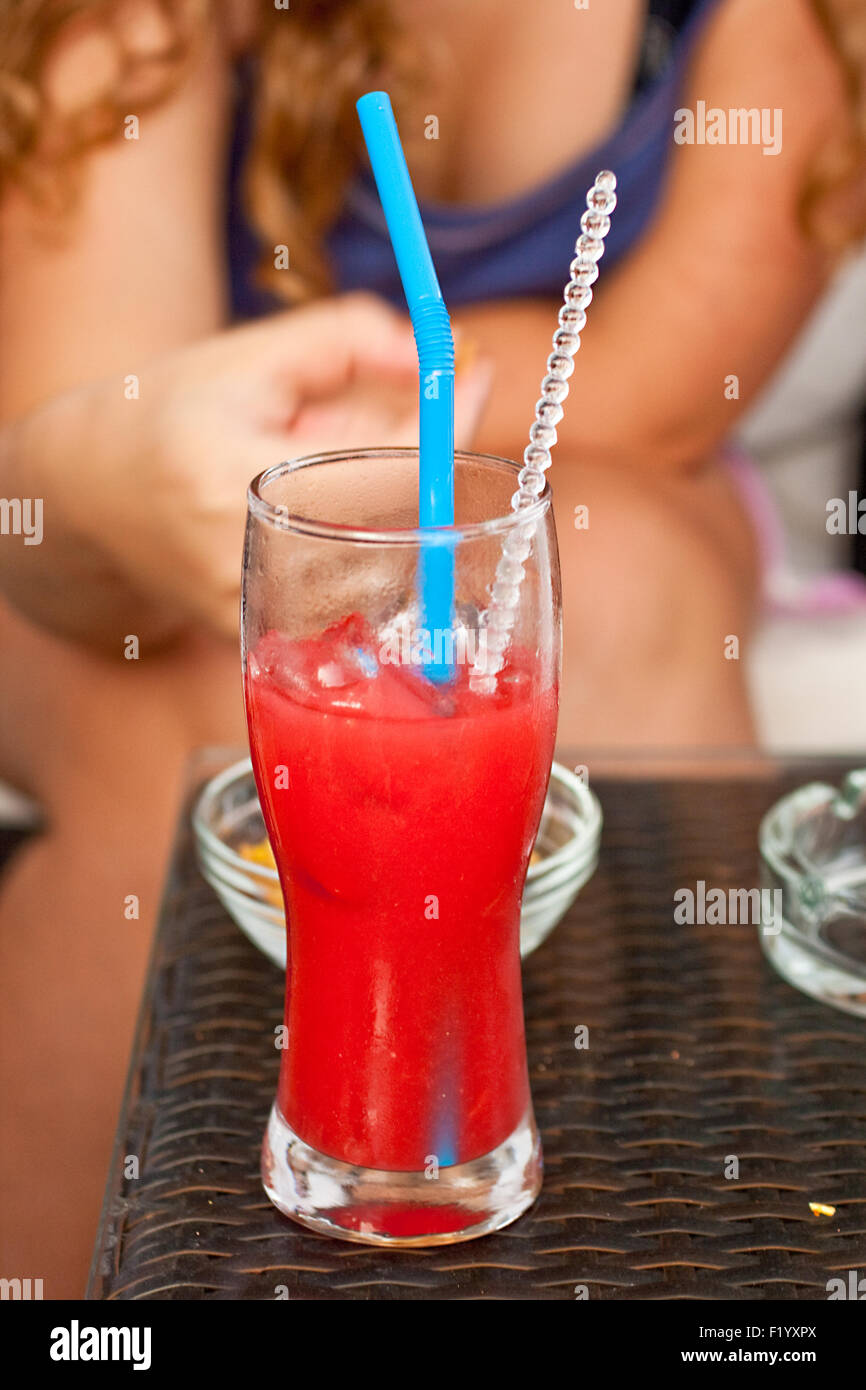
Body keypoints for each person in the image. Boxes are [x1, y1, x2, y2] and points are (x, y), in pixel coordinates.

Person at [0, 0, 862, 1295]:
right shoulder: (146, 25)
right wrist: (145, 467)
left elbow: (659, 381)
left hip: (583, 512)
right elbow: (57, 464)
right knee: (170, 729)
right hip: (126, 575)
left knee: (610, 589)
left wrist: (298, 446)